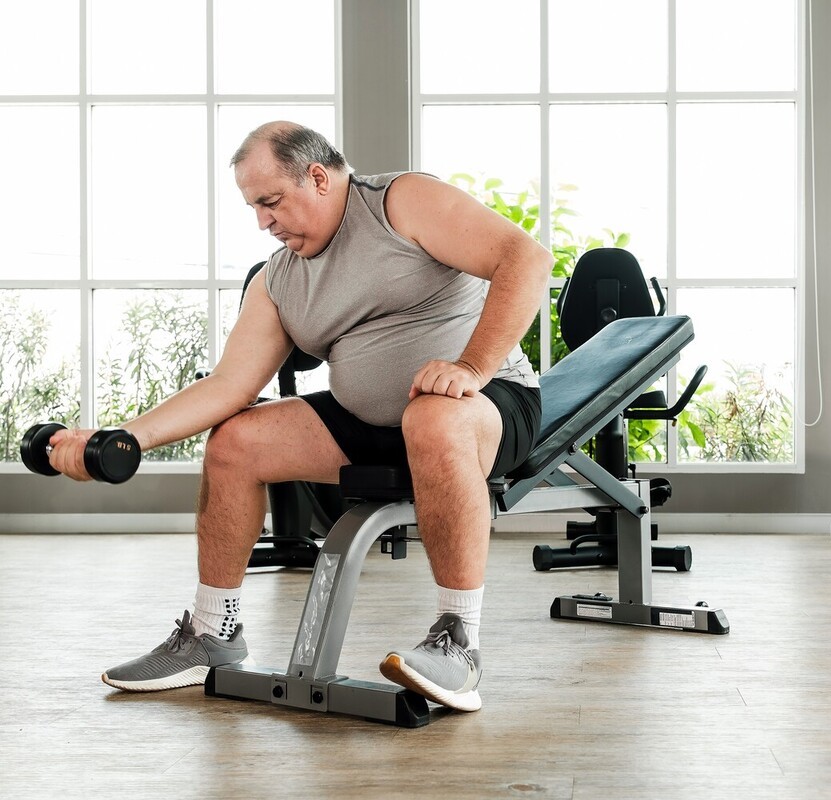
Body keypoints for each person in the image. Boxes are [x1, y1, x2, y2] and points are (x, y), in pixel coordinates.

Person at [46, 121, 552, 712]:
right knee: (236, 439)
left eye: (270, 201)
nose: (263, 221)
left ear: (317, 176)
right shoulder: (279, 278)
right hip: (366, 421)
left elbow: (527, 258)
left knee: (432, 419)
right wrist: (121, 439)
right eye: (255, 208)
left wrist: (471, 366)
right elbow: (229, 385)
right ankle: (213, 634)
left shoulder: (401, 203)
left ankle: (457, 640)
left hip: (481, 407)